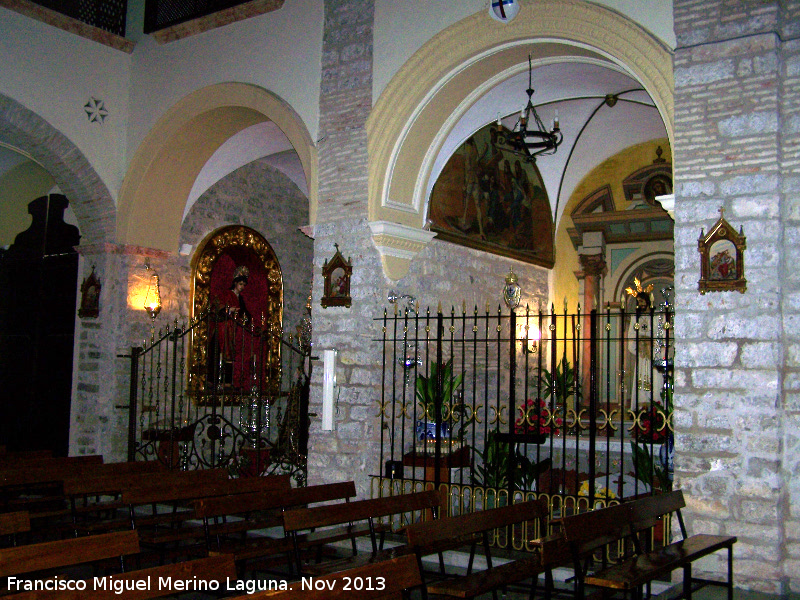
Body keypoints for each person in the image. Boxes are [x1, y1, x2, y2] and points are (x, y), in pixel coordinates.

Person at [209, 265, 254, 390]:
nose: (242, 287)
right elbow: (216, 309)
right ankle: (216, 380)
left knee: (231, 355)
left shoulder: (240, 298)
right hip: (224, 329)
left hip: (233, 330)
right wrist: (229, 310)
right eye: (240, 284)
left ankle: (228, 381)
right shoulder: (226, 294)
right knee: (220, 352)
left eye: (244, 285)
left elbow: (244, 313)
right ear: (235, 283)